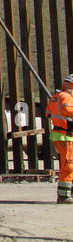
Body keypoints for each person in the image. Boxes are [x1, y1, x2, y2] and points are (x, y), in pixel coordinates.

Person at [47, 74, 73, 203]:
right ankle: (64, 196)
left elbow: (48, 113)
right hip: (65, 135)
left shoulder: (55, 97)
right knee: (69, 165)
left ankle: (68, 193)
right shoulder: (67, 97)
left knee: (68, 164)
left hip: (60, 134)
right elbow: (69, 110)